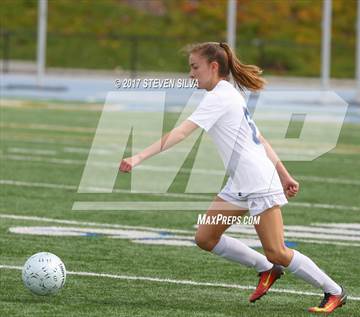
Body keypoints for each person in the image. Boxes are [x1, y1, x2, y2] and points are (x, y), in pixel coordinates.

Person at [119, 42, 347, 314]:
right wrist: (285, 173)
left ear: (213, 67)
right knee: (205, 237)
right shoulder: (228, 92)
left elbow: (181, 133)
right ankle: (266, 269)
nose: (191, 74)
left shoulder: (219, 97)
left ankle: (334, 291)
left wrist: (138, 158)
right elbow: (258, 138)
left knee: (278, 251)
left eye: (195, 67)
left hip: (258, 182)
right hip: (240, 184)